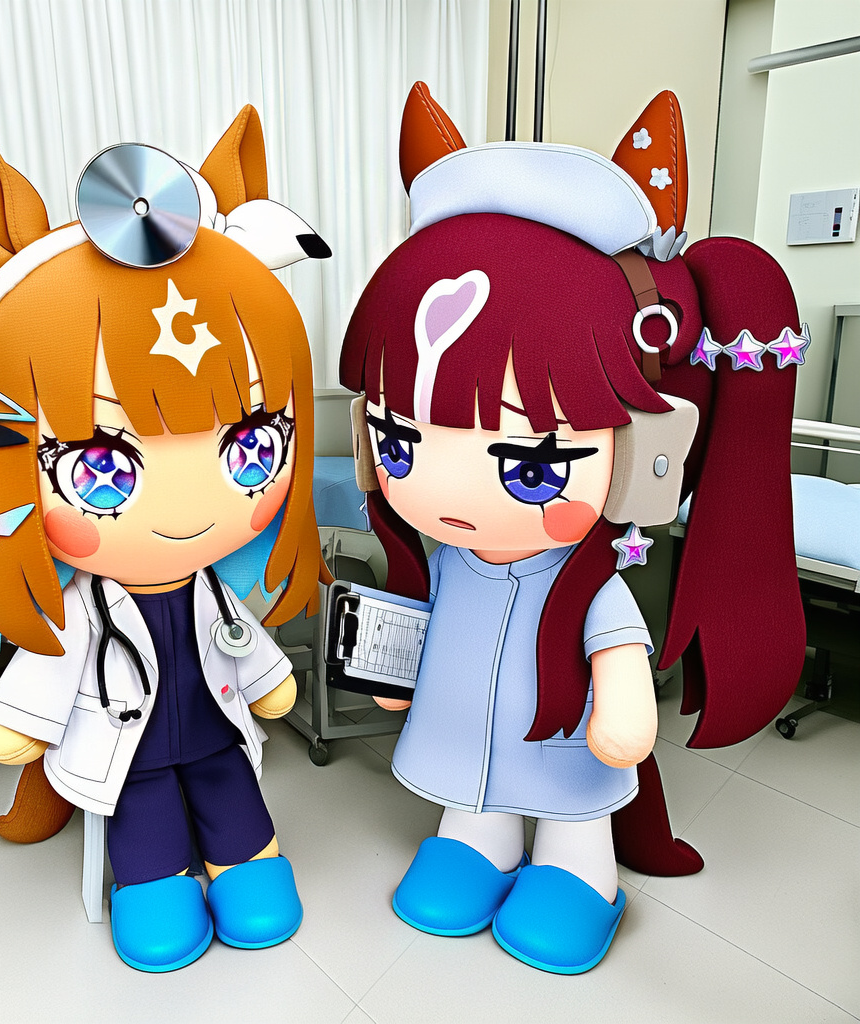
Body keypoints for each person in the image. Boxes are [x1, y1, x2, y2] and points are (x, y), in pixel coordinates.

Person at [338, 84, 805, 974]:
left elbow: (616, 656)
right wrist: (393, 668)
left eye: (533, 462)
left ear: (644, 453)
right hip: (468, 743)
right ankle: (479, 842)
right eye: (398, 442)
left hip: (566, 756)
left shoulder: (589, 585)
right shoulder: (448, 559)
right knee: (473, 804)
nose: (444, 490)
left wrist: (624, 708)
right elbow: (424, 622)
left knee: (574, 803)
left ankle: (579, 870)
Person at [0, 107, 331, 972]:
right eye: (100, 466)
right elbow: (50, 670)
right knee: (146, 824)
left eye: (252, 449)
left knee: (235, 800)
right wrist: (18, 726)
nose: (190, 508)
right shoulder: (81, 605)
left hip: (216, 734)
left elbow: (238, 640)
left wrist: (271, 683)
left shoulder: (212, 586)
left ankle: (246, 860)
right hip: (127, 750)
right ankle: (156, 880)